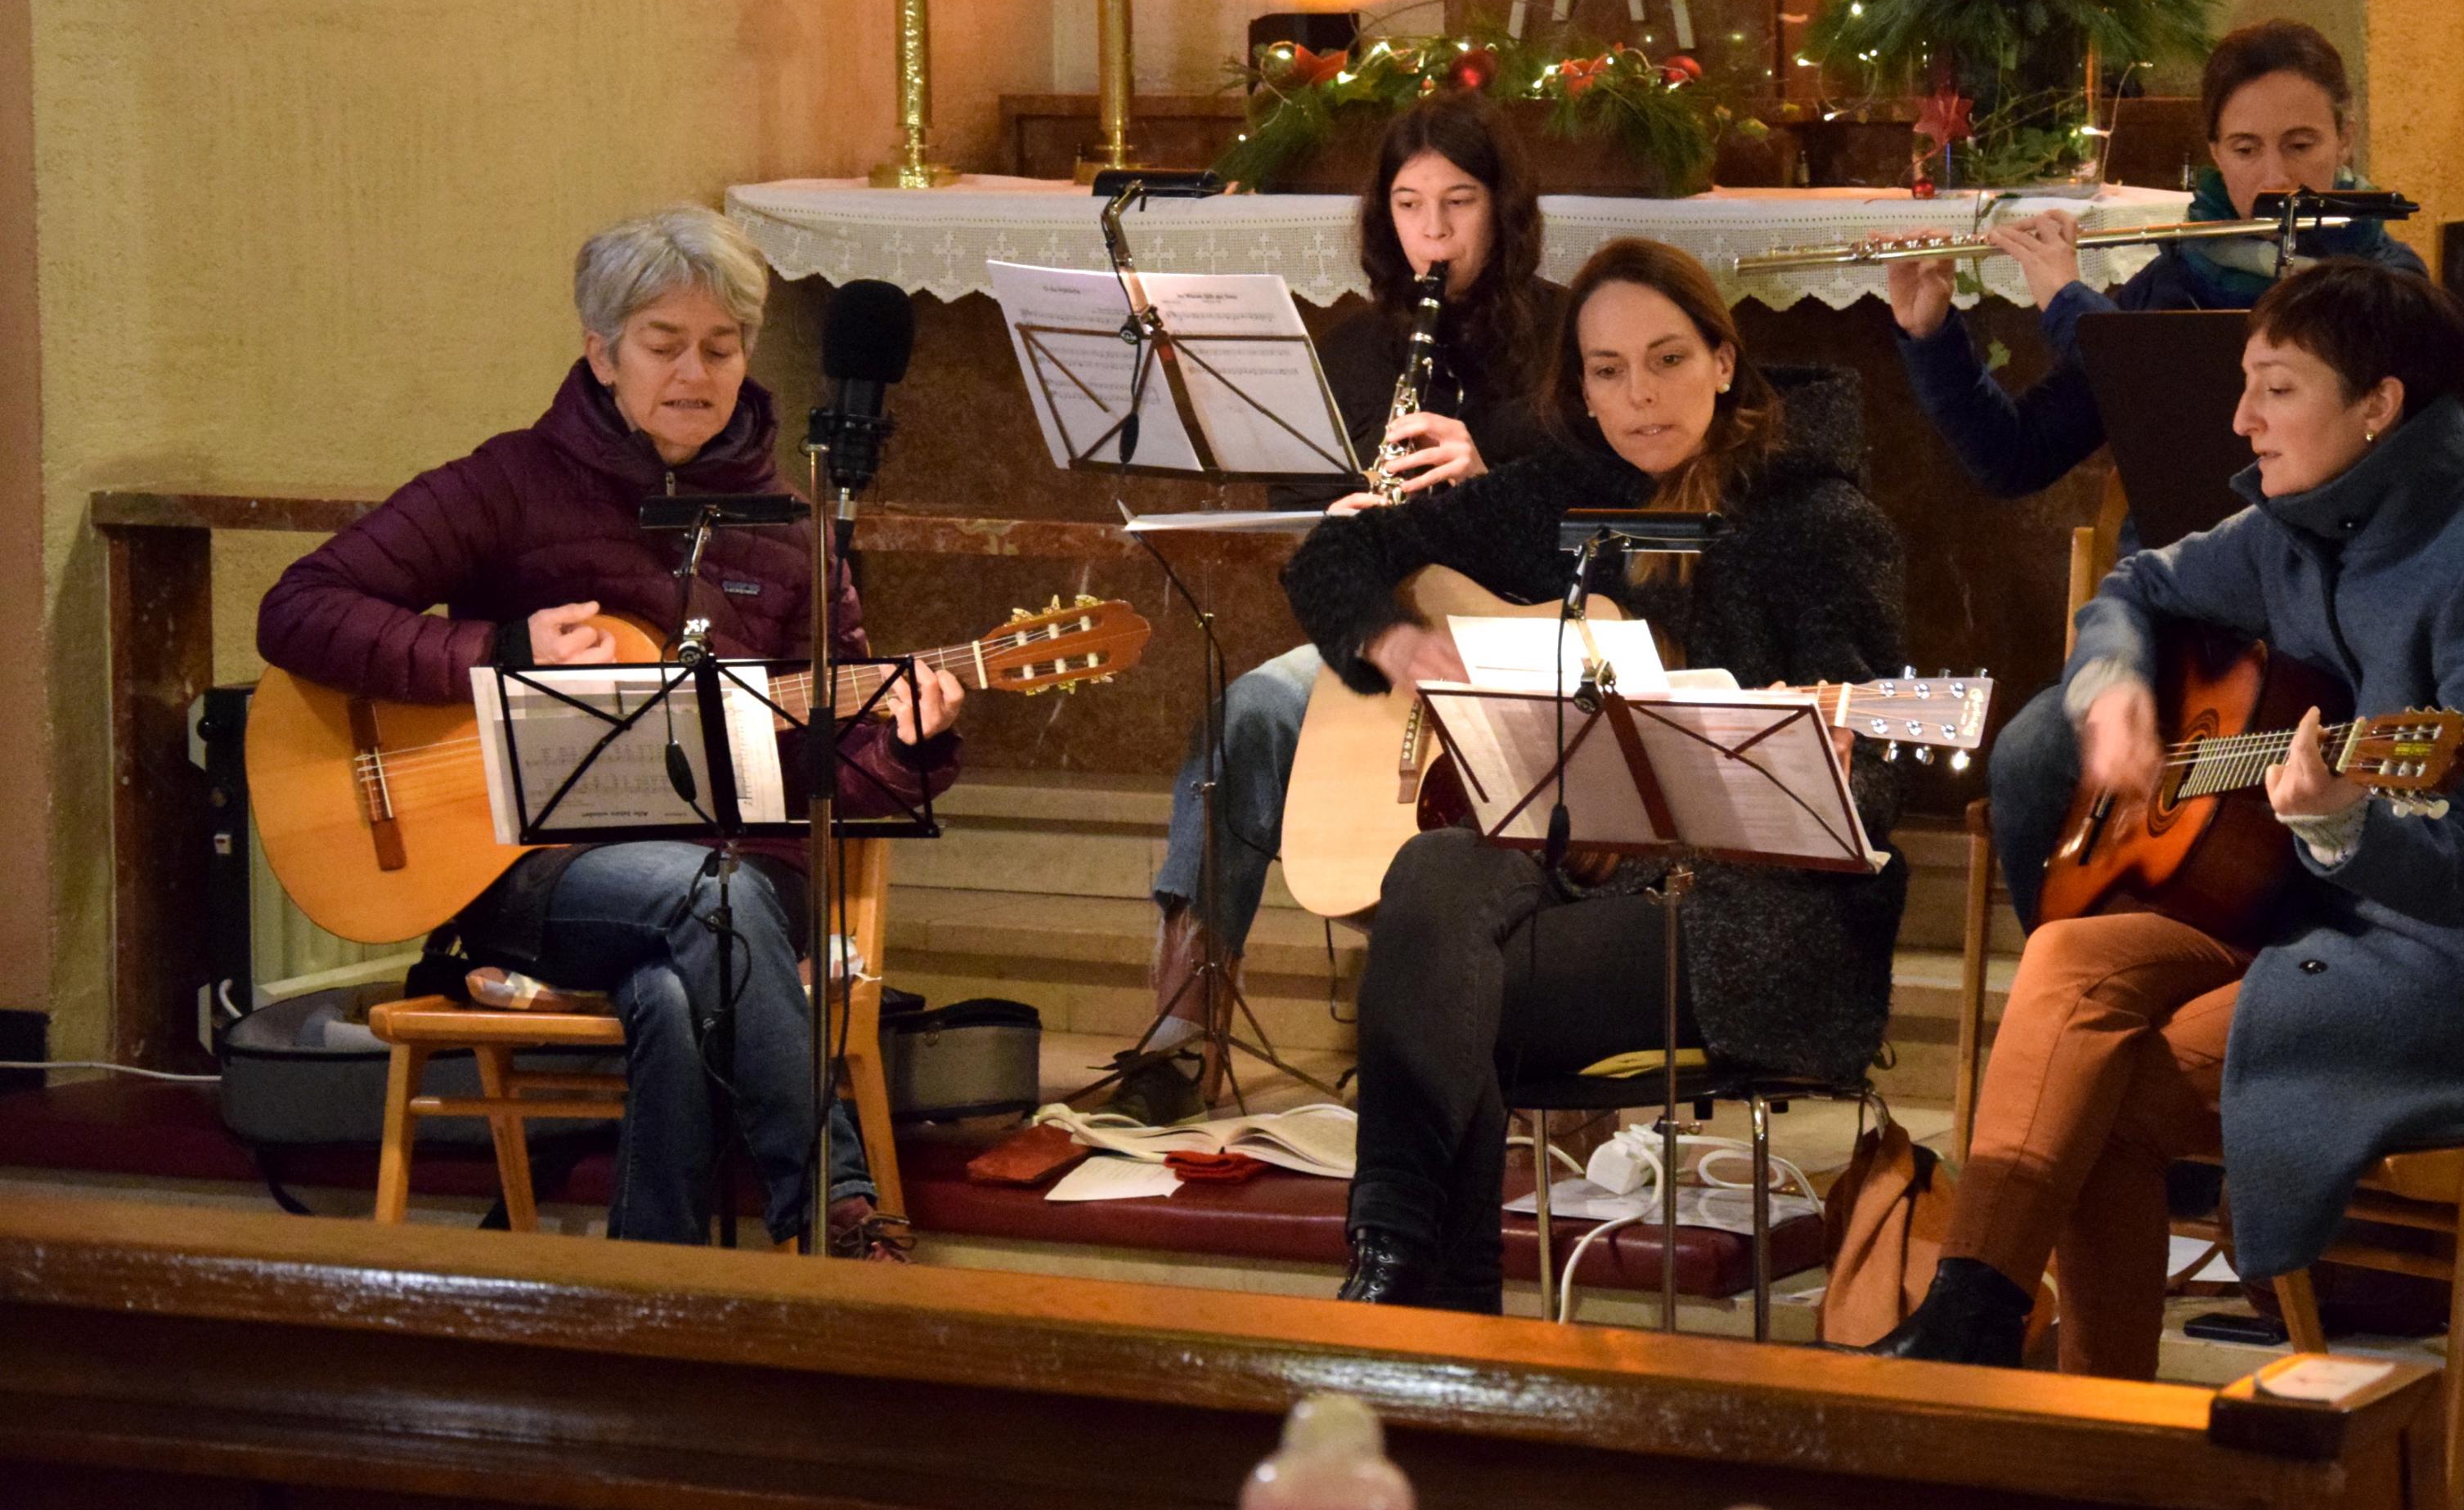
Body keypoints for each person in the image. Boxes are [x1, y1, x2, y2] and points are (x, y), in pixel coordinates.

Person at [1871, 261, 2464, 1375]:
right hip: (2314, 907)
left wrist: (2343, 827)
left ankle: (2091, 1415)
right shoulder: (2311, 518)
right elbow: (2133, 591)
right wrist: (2114, 690)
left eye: (2276, 388)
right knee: (2072, 953)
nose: (2240, 420)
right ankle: (1974, 1311)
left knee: (2108, 1096)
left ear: (2378, 406)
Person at [256, 205, 963, 1256]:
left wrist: (905, 745)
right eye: (663, 345)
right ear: (602, 353)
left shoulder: (790, 527)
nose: (695, 373)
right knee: (705, 910)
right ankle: (836, 1207)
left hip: (742, 874)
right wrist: (498, 651)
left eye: (721, 347)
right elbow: (300, 607)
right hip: (535, 872)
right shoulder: (509, 484)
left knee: (682, 980)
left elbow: (825, 771)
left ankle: (646, 1288)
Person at [1278, 237, 1908, 1311]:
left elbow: (1877, 777)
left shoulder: (1820, 523)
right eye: (1608, 371)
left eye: (1667, 360)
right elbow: (1333, 556)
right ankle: (1407, 1269)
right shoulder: (1568, 494)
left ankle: (1410, 1282)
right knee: (1432, 872)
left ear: (1723, 360)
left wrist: (1833, 764)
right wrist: (1398, 642)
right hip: (1582, 874)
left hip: (1750, 918)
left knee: (1438, 986)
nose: (1639, 395)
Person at [1893, 21, 2426, 928]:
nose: (2275, 175)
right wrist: (1930, 335)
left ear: (2345, 140)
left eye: (2301, 144)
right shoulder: (2171, 280)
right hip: (2182, 626)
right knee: (2031, 756)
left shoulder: (2387, 283)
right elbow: (2015, 458)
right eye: (2246, 149)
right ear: (2213, 154)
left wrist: (2075, 312)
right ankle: (2078, 983)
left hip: (2331, 631)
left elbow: (2263, 439)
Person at [1126, 96, 1564, 1119]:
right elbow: (1298, 522)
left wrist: (1490, 473)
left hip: (1519, 631)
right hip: (1384, 635)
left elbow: (1602, 506)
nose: (1434, 231)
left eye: (1459, 202)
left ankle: (1489, 1029)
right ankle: (1180, 1033)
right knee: (1246, 715)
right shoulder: (1358, 350)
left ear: (1503, 208)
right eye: (1410, 205)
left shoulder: (1566, 334)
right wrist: (1337, 520)